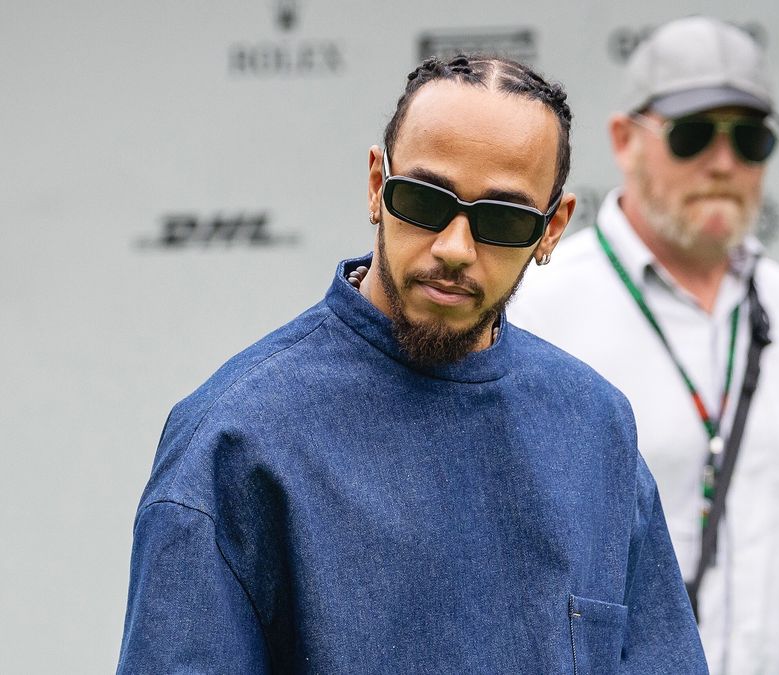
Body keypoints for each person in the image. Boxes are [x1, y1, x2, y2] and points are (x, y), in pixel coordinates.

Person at [117, 54, 706, 673]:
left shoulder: (597, 429)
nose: (454, 248)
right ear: (378, 186)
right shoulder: (236, 438)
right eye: (425, 202)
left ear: (552, 229)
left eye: (502, 220)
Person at [508, 17, 779, 674]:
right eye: (693, 135)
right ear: (624, 140)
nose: (724, 163)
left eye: (749, 139)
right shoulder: (539, 306)